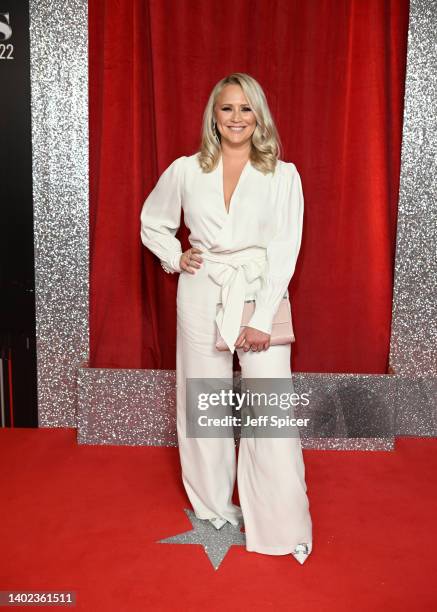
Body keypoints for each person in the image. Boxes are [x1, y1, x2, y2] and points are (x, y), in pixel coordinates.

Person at [140, 72, 312, 564]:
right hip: (202, 289)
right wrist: (176, 257)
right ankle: (214, 506)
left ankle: (280, 523)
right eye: (226, 109)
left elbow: (285, 250)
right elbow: (153, 221)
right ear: (213, 116)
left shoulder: (284, 174)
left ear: (259, 116)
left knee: (270, 407)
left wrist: (263, 316)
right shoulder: (185, 170)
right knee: (203, 398)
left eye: (245, 109)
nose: (236, 118)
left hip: (260, 290)